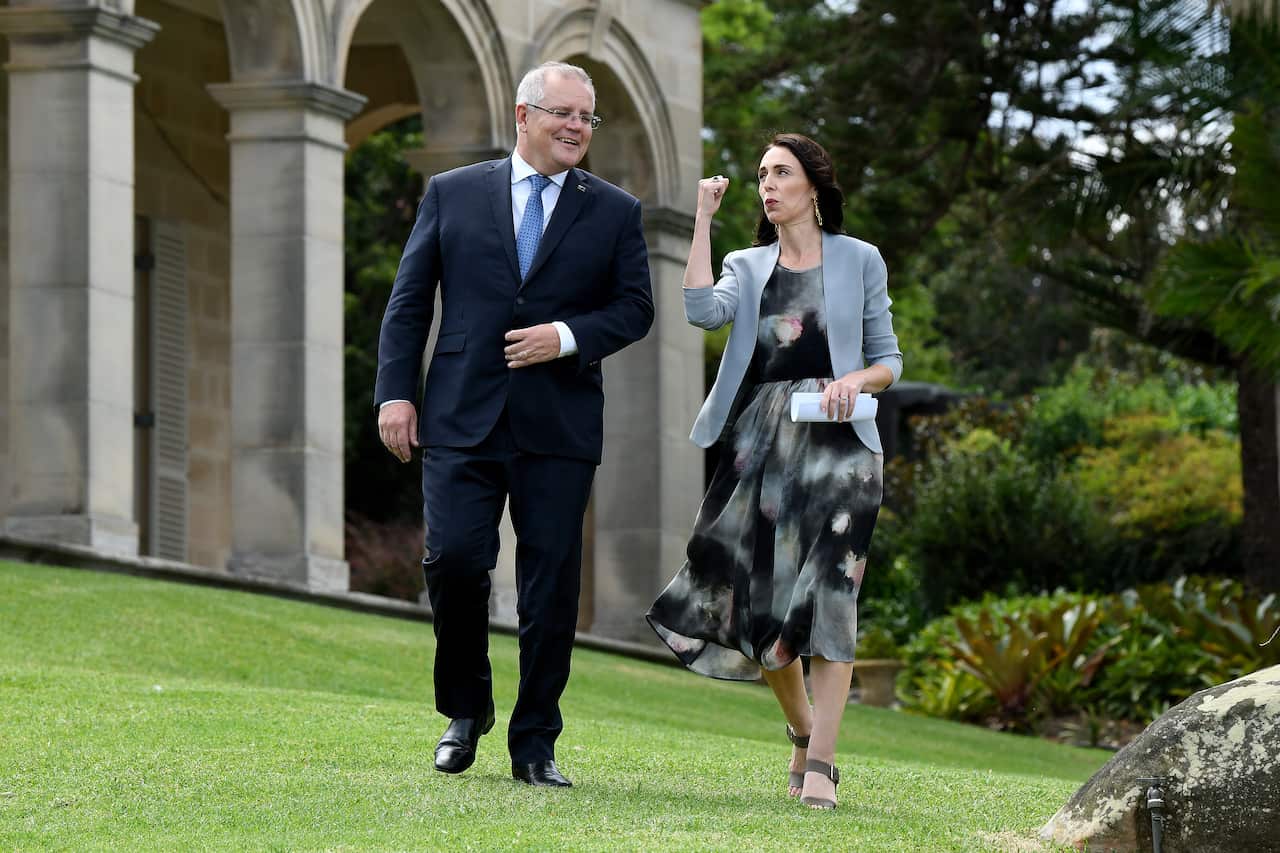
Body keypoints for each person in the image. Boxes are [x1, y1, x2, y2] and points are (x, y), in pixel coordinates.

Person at [375, 61, 654, 789]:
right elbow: (409, 302)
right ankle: (465, 711)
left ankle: (535, 742)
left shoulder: (616, 210)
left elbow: (635, 309)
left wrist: (562, 336)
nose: (576, 128)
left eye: (587, 118)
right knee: (456, 562)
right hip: (460, 414)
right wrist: (394, 395)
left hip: (558, 424)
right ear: (524, 116)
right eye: (564, 113)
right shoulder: (453, 192)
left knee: (550, 586)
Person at [646, 133, 902, 810]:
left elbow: (890, 359)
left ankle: (822, 762)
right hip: (763, 443)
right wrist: (701, 218)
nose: (768, 184)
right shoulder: (746, 263)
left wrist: (855, 379)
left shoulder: (860, 260)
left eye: (780, 172)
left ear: (813, 185)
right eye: (762, 174)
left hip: (845, 446)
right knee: (761, 609)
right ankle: (800, 725)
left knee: (833, 592)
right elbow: (702, 311)